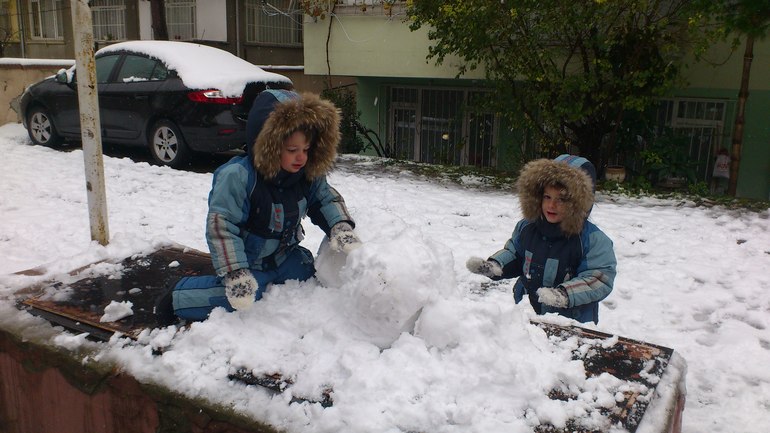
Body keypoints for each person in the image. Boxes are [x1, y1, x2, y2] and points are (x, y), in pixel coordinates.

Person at [161, 90, 361, 322]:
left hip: (286, 256)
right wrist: (236, 273)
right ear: (270, 146)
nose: (301, 158)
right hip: (249, 263)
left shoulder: (306, 175)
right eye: (292, 150)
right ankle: (177, 297)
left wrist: (339, 225)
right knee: (237, 302)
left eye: (306, 150)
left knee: (312, 278)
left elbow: (324, 199)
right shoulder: (239, 177)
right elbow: (223, 226)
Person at [466, 155, 616, 324]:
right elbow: (515, 254)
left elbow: (598, 278)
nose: (551, 205)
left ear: (578, 203)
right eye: (547, 197)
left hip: (572, 323)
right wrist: (495, 266)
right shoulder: (527, 228)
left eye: (561, 199)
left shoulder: (592, 240)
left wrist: (563, 295)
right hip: (529, 315)